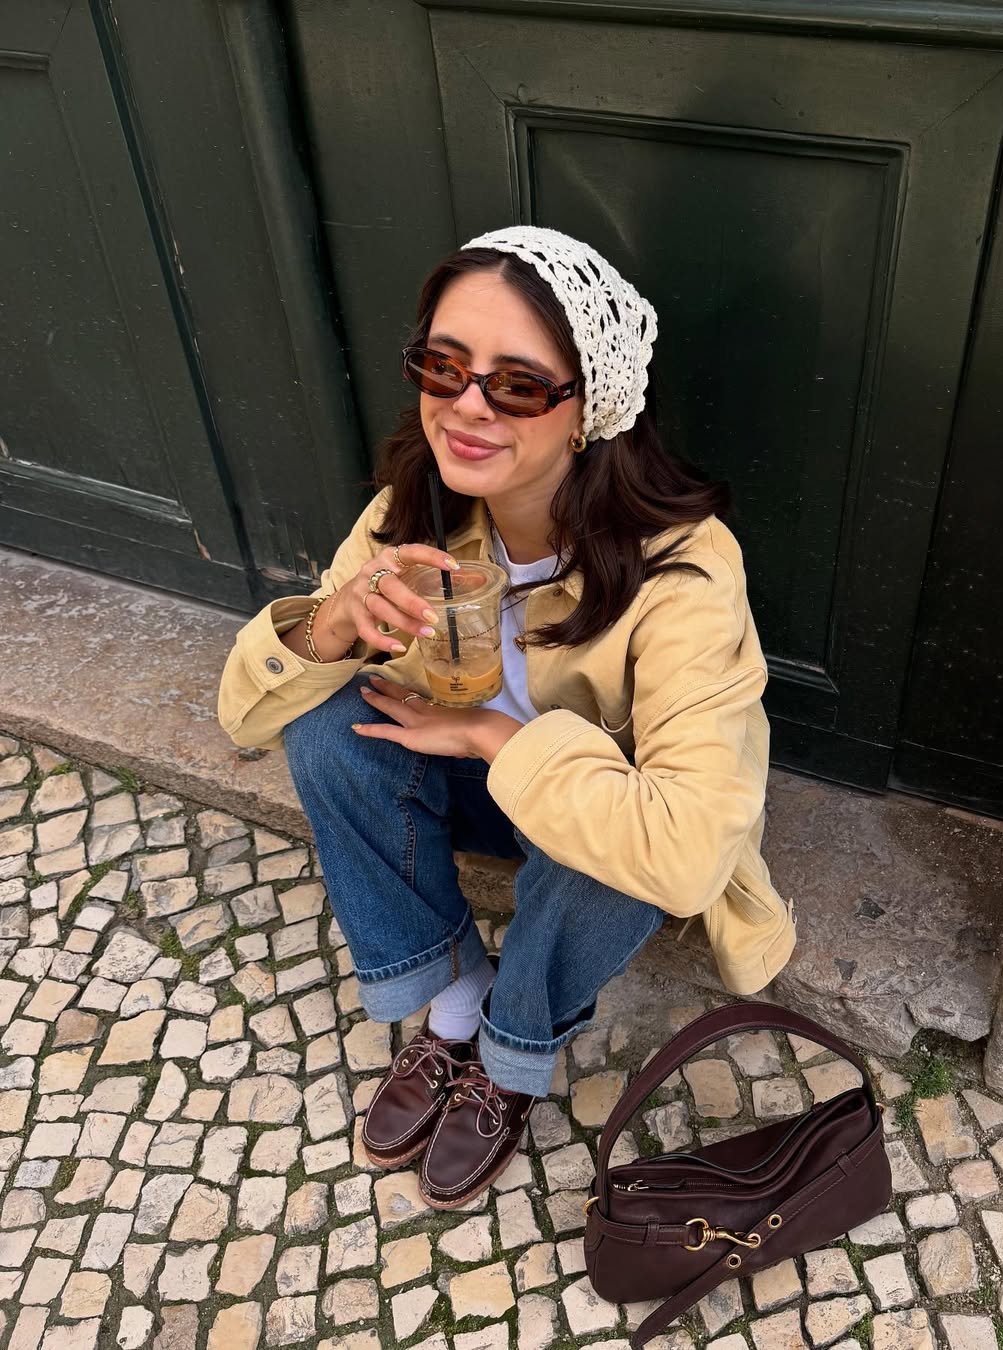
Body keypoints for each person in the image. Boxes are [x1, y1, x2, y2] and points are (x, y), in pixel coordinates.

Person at [217, 225, 796, 1209]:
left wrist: (496, 736)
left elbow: (689, 851)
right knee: (328, 730)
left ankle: (511, 1053)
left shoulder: (684, 568)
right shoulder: (414, 513)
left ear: (588, 411)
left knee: (611, 849)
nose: (467, 406)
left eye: (518, 384)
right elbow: (246, 720)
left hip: (585, 828)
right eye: (443, 367)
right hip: (469, 794)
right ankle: (455, 1000)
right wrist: (330, 627)